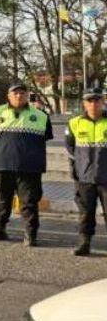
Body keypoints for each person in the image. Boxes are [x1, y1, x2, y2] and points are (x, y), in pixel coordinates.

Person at [0, 83, 53, 246]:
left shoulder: (41, 116)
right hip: (1, 165)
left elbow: (46, 137)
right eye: (15, 93)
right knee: (1, 200)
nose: (18, 95)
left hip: (29, 167)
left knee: (29, 202)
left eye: (22, 92)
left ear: (27, 95)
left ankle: (30, 234)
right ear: (8, 96)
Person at [64, 88, 107, 256]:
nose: (93, 104)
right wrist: (78, 168)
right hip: (85, 177)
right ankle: (84, 242)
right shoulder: (75, 122)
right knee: (85, 213)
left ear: (103, 101)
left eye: (97, 100)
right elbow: (70, 147)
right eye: (89, 100)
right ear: (84, 103)